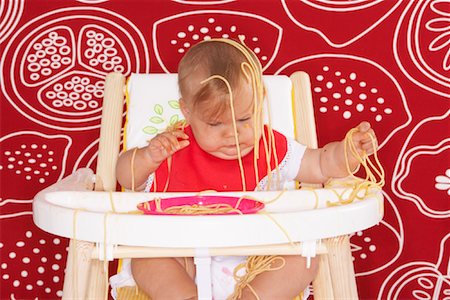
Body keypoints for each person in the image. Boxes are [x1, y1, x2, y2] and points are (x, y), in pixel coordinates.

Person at [115, 38, 378, 300]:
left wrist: (347, 153)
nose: (234, 134)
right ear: (187, 111)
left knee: (304, 258)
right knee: (146, 257)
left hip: (255, 259)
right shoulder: (172, 147)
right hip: (183, 256)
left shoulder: (271, 146)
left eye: (244, 118)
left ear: (261, 100)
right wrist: (148, 157)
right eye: (216, 124)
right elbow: (126, 178)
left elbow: (319, 164)